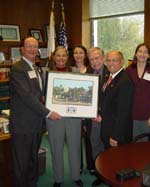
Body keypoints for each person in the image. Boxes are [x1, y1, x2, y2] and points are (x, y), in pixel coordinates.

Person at [9, 37, 61, 187]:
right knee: (21, 164)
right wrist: (49, 113)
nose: (32, 49)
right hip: (22, 126)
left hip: (36, 124)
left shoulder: (37, 68)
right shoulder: (18, 69)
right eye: (29, 46)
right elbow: (27, 97)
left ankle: (32, 184)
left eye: (35, 47)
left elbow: (39, 94)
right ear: (22, 50)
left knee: (33, 160)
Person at [46, 46, 83, 187]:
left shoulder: (75, 72)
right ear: (54, 57)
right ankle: (58, 179)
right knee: (56, 148)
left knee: (75, 147)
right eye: (58, 55)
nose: (61, 58)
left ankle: (76, 176)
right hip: (54, 117)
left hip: (73, 116)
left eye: (64, 56)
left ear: (68, 57)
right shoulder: (46, 73)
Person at [84, 47, 109, 187]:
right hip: (92, 119)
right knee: (95, 146)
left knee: (107, 148)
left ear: (103, 57)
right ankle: (100, 174)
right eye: (91, 59)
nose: (94, 62)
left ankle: (108, 173)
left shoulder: (110, 72)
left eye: (97, 58)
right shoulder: (87, 73)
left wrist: (103, 115)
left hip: (107, 119)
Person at [126, 44, 150, 141]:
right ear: (136, 54)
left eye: (145, 52)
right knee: (134, 143)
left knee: (145, 144)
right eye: (140, 51)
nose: (142, 54)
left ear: (149, 55)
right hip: (132, 114)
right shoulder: (129, 70)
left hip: (147, 115)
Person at [101, 50, 134, 148]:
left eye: (114, 60)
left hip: (117, 134)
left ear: (122, 62)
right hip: (108, 127)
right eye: (108, 60)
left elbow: (123, 112)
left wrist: (116, 136)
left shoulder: (125, 82)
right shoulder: (108, 76)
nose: (110, 63)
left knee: (118, 162)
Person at [71, 45, 92, 174]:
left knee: (89, 140)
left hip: (87, 112)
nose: (78, 55)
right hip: (74, 113)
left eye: (81, 53)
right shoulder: (70, 70)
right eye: (75, 53)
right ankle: (77, 166)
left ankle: (91, 166)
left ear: (85, 55)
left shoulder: (91, 70)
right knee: (75, 141)